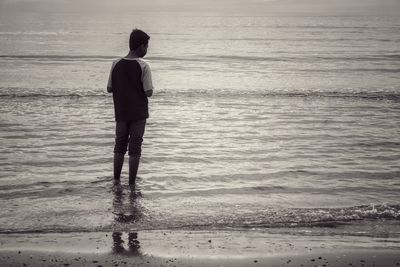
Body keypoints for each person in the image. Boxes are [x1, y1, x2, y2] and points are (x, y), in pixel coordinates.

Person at [107, 29, 153, 186]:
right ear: (141, 46)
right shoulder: (143, 66)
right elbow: (148, 92)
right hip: (139, 112)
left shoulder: (115, 64)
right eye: (146, 47)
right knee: (135, 147)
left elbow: (109, 88)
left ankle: (116, 180)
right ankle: (132, 184)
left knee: (119, 144)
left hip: (121, 111)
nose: (147, 50)